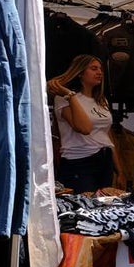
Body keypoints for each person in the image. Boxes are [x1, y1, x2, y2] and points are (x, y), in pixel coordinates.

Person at [47, 54, 115, 193]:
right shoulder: (64, 99)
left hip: (104, 159)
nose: (99, 72)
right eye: (94, 68)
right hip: (79, 161)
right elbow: (84, 128)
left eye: (100, 69)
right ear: (80, 73)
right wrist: (70, 95)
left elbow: (107, 136)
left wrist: (119, 169)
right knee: (84, 208)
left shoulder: (101, 100)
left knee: (104, 207)